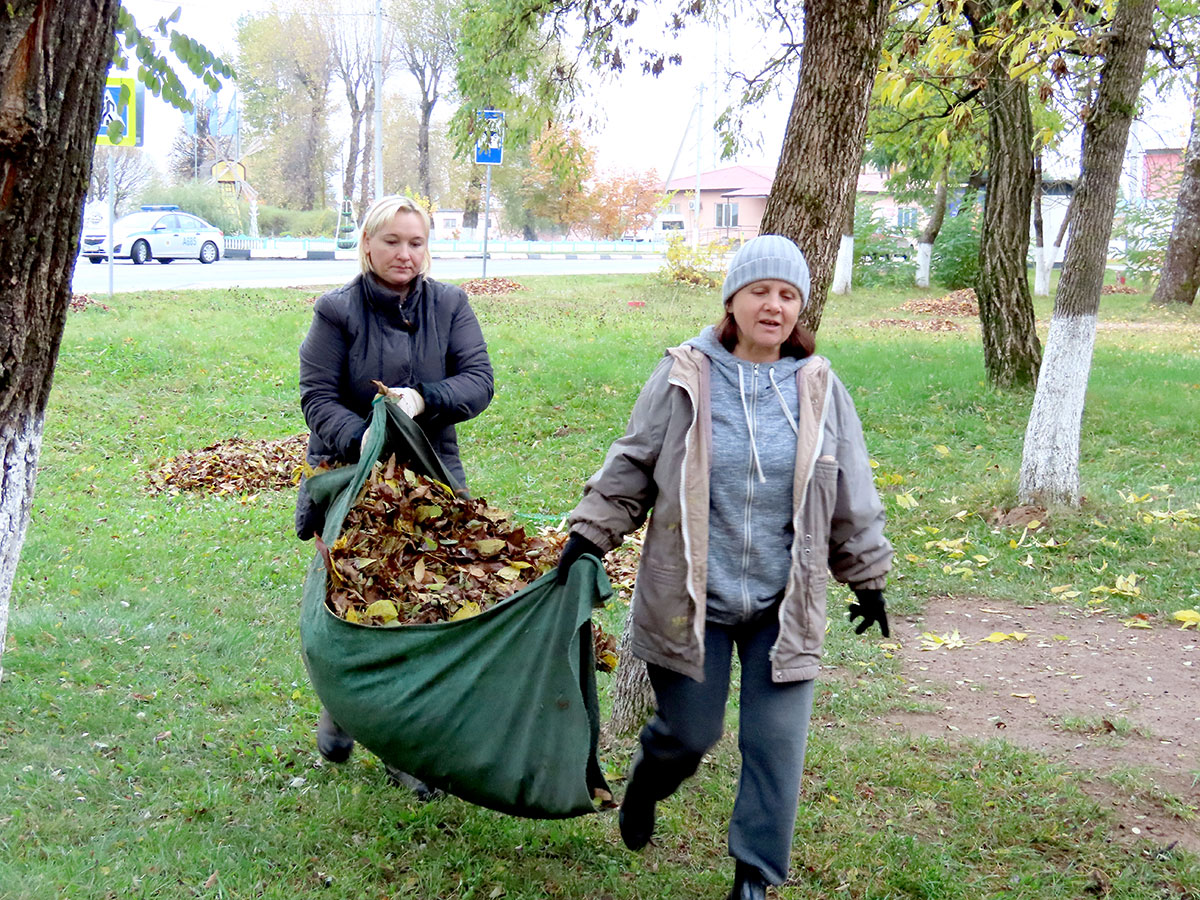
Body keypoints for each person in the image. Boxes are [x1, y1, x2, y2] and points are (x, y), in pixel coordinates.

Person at [556, 234, 892, 900]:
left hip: (783, 602)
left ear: (800, 308)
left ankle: (754, 876)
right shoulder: (685, 375)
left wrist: (868, 576)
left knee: (776, 745)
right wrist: (590, 535)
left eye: (788, 295)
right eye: (760, 291)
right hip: (692, 599)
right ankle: (646, 785)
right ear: (732, 300)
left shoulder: (819, 386)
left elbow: (850, 486)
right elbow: (633, 463)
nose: (774, 306)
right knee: (690, 735)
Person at [295, 194, 495, 783]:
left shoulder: (451, 304)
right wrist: (360, 438)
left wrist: (424, 398)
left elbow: (479, 381)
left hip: (430, 477)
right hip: (349, 474)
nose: (405, 253)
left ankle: (403, 746)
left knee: (423, 609)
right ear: (367, 244)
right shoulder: (336, 310)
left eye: (416, 242)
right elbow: (316, 396)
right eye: (392, 241)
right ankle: (341, 711)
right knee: (357, 605)